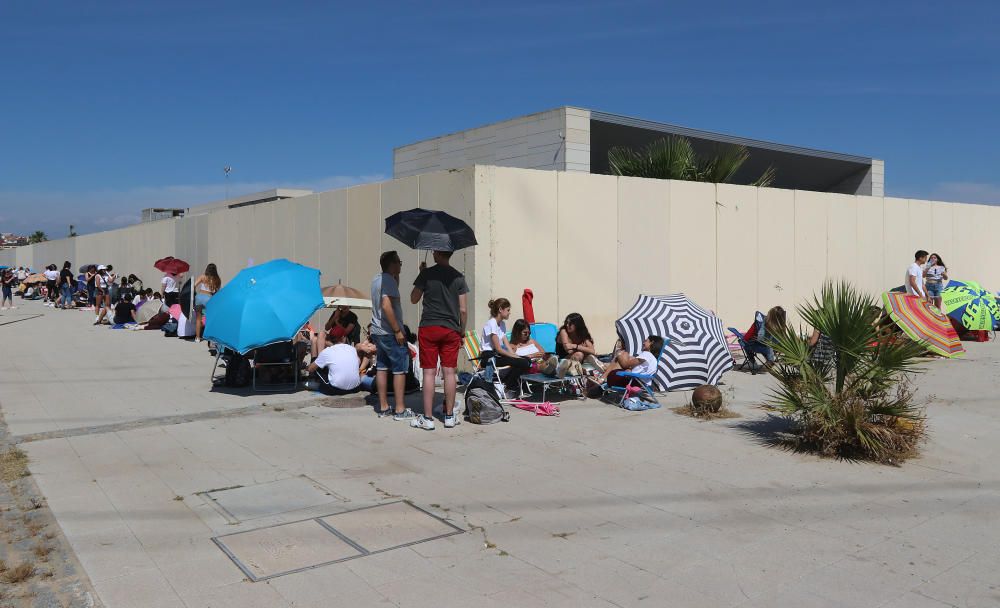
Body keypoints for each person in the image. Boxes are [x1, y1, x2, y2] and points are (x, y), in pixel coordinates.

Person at [410, 250, 469, 430]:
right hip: (451, 329)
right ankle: (449, 416)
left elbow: (413, 299)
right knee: (449, 372)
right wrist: (462, 331)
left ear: (437, 253)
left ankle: (427, 419)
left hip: (428, 326)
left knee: (429, 373)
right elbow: (463, 310)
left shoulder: (426, 274)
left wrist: (422, 273)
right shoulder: (459, 277)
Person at [370, 251, 415, 421]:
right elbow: (386, 305)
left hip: (378, 331)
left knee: (382, 367)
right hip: (390, 332)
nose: (401, 265)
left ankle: (383, 407)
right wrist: (397, 330)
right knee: (400, 369)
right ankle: (400, 409)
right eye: (399, 262)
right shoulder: (387, 280)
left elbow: (390, 291)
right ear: (392, 263)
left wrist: (396, 276)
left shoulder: (378, 279)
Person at [479, 298, 533, 395]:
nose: (509, 313)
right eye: (508, 310)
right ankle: (509, 385)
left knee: (527, 361)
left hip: (497, 355)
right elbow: (498, 348)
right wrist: (515, 357)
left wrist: (515, 355)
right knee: (522, 362)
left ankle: (507, 383)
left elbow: (506, 343)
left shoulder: (502, 324)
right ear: (500, 309)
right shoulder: (491, 323)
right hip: (489, 357)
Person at [307, 332, 375, 395]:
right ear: (343, 338)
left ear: (328, 340)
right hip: (355, 388)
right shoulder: (352, 348)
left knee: (318, 366)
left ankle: (314, 381)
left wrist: (307, 367)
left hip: (336, 390)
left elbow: (311, 369)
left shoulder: (327, 351)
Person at [594, 335, 664, 387]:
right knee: (624, 357)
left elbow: (625, 364)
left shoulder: (647, 355)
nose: (643, 343)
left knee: (623, 355)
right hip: (637, 381)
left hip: (633, 381)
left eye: (646, 341)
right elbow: (633, 366)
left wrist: (619, 354)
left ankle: (603, 373)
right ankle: (603, 373)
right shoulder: (652, 358)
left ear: (651, 343)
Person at [193, 263, 221, 343]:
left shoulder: (203, 277)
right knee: (209, 318)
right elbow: (217, 292)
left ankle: (197, 338)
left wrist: (194, 293)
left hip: (199, 297)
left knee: (198, 318)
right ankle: (208, 337)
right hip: (209, 298)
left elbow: (194, 285)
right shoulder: (217, 279)